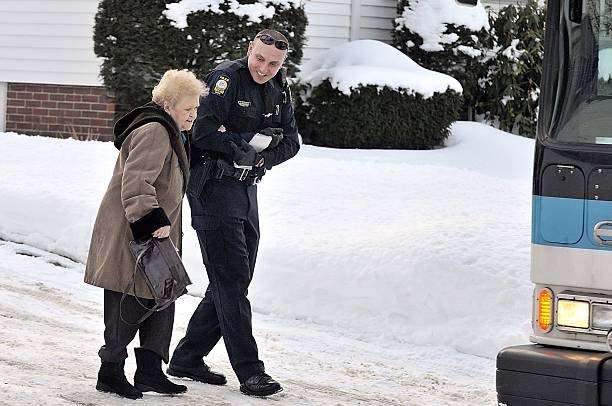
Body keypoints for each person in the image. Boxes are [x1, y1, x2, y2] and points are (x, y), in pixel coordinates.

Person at [167, 29, 300, 397]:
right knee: (230, 279)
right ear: (249, 50)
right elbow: (203, 131)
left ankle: (188, 358)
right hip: (213, 190)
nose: (264, 68)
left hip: (246, 189)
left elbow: (292, 141)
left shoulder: (280, 88)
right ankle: (250, 371)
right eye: (259, 59)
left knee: (236, 279)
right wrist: (240, 146)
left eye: (273, 63)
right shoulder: (225, 79)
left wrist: (260, 157)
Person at [84, 69, 207, 399]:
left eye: (196, 108)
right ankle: (109, 371)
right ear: (168, 105)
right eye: (188, 109)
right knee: (130, 303)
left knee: (162, 299)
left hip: (155, 238)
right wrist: (152, 220)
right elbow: (137, 182)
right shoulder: (154, 130)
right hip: (134, 235)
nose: (194, 115)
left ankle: (150, 371)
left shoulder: (171, 131)